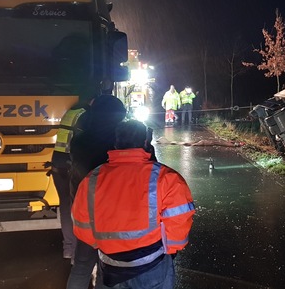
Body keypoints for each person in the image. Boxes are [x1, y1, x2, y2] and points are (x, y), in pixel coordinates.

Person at [72, 119, 195, 288]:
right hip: (152, 265)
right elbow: (179, 222)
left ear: (116, 144)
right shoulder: (167, 178)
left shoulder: (92, 179)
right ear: (145, 142)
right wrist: (170, 249)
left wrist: (104, 245)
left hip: (110, 265)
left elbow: (82, 223)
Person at [66, 94, 127, 289]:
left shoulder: (80, 140)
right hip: (111, 213)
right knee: (106, 265)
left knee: (82, 264)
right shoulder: (118, 142)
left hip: (84, 210)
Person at [47, 97, 92, 260]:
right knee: (81, 206)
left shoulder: (71, 112)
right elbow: (84, 143)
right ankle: (80, 251)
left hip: (58, 164)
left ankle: (68, 249)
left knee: (66, 206)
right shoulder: (85, 115)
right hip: (71, 164)